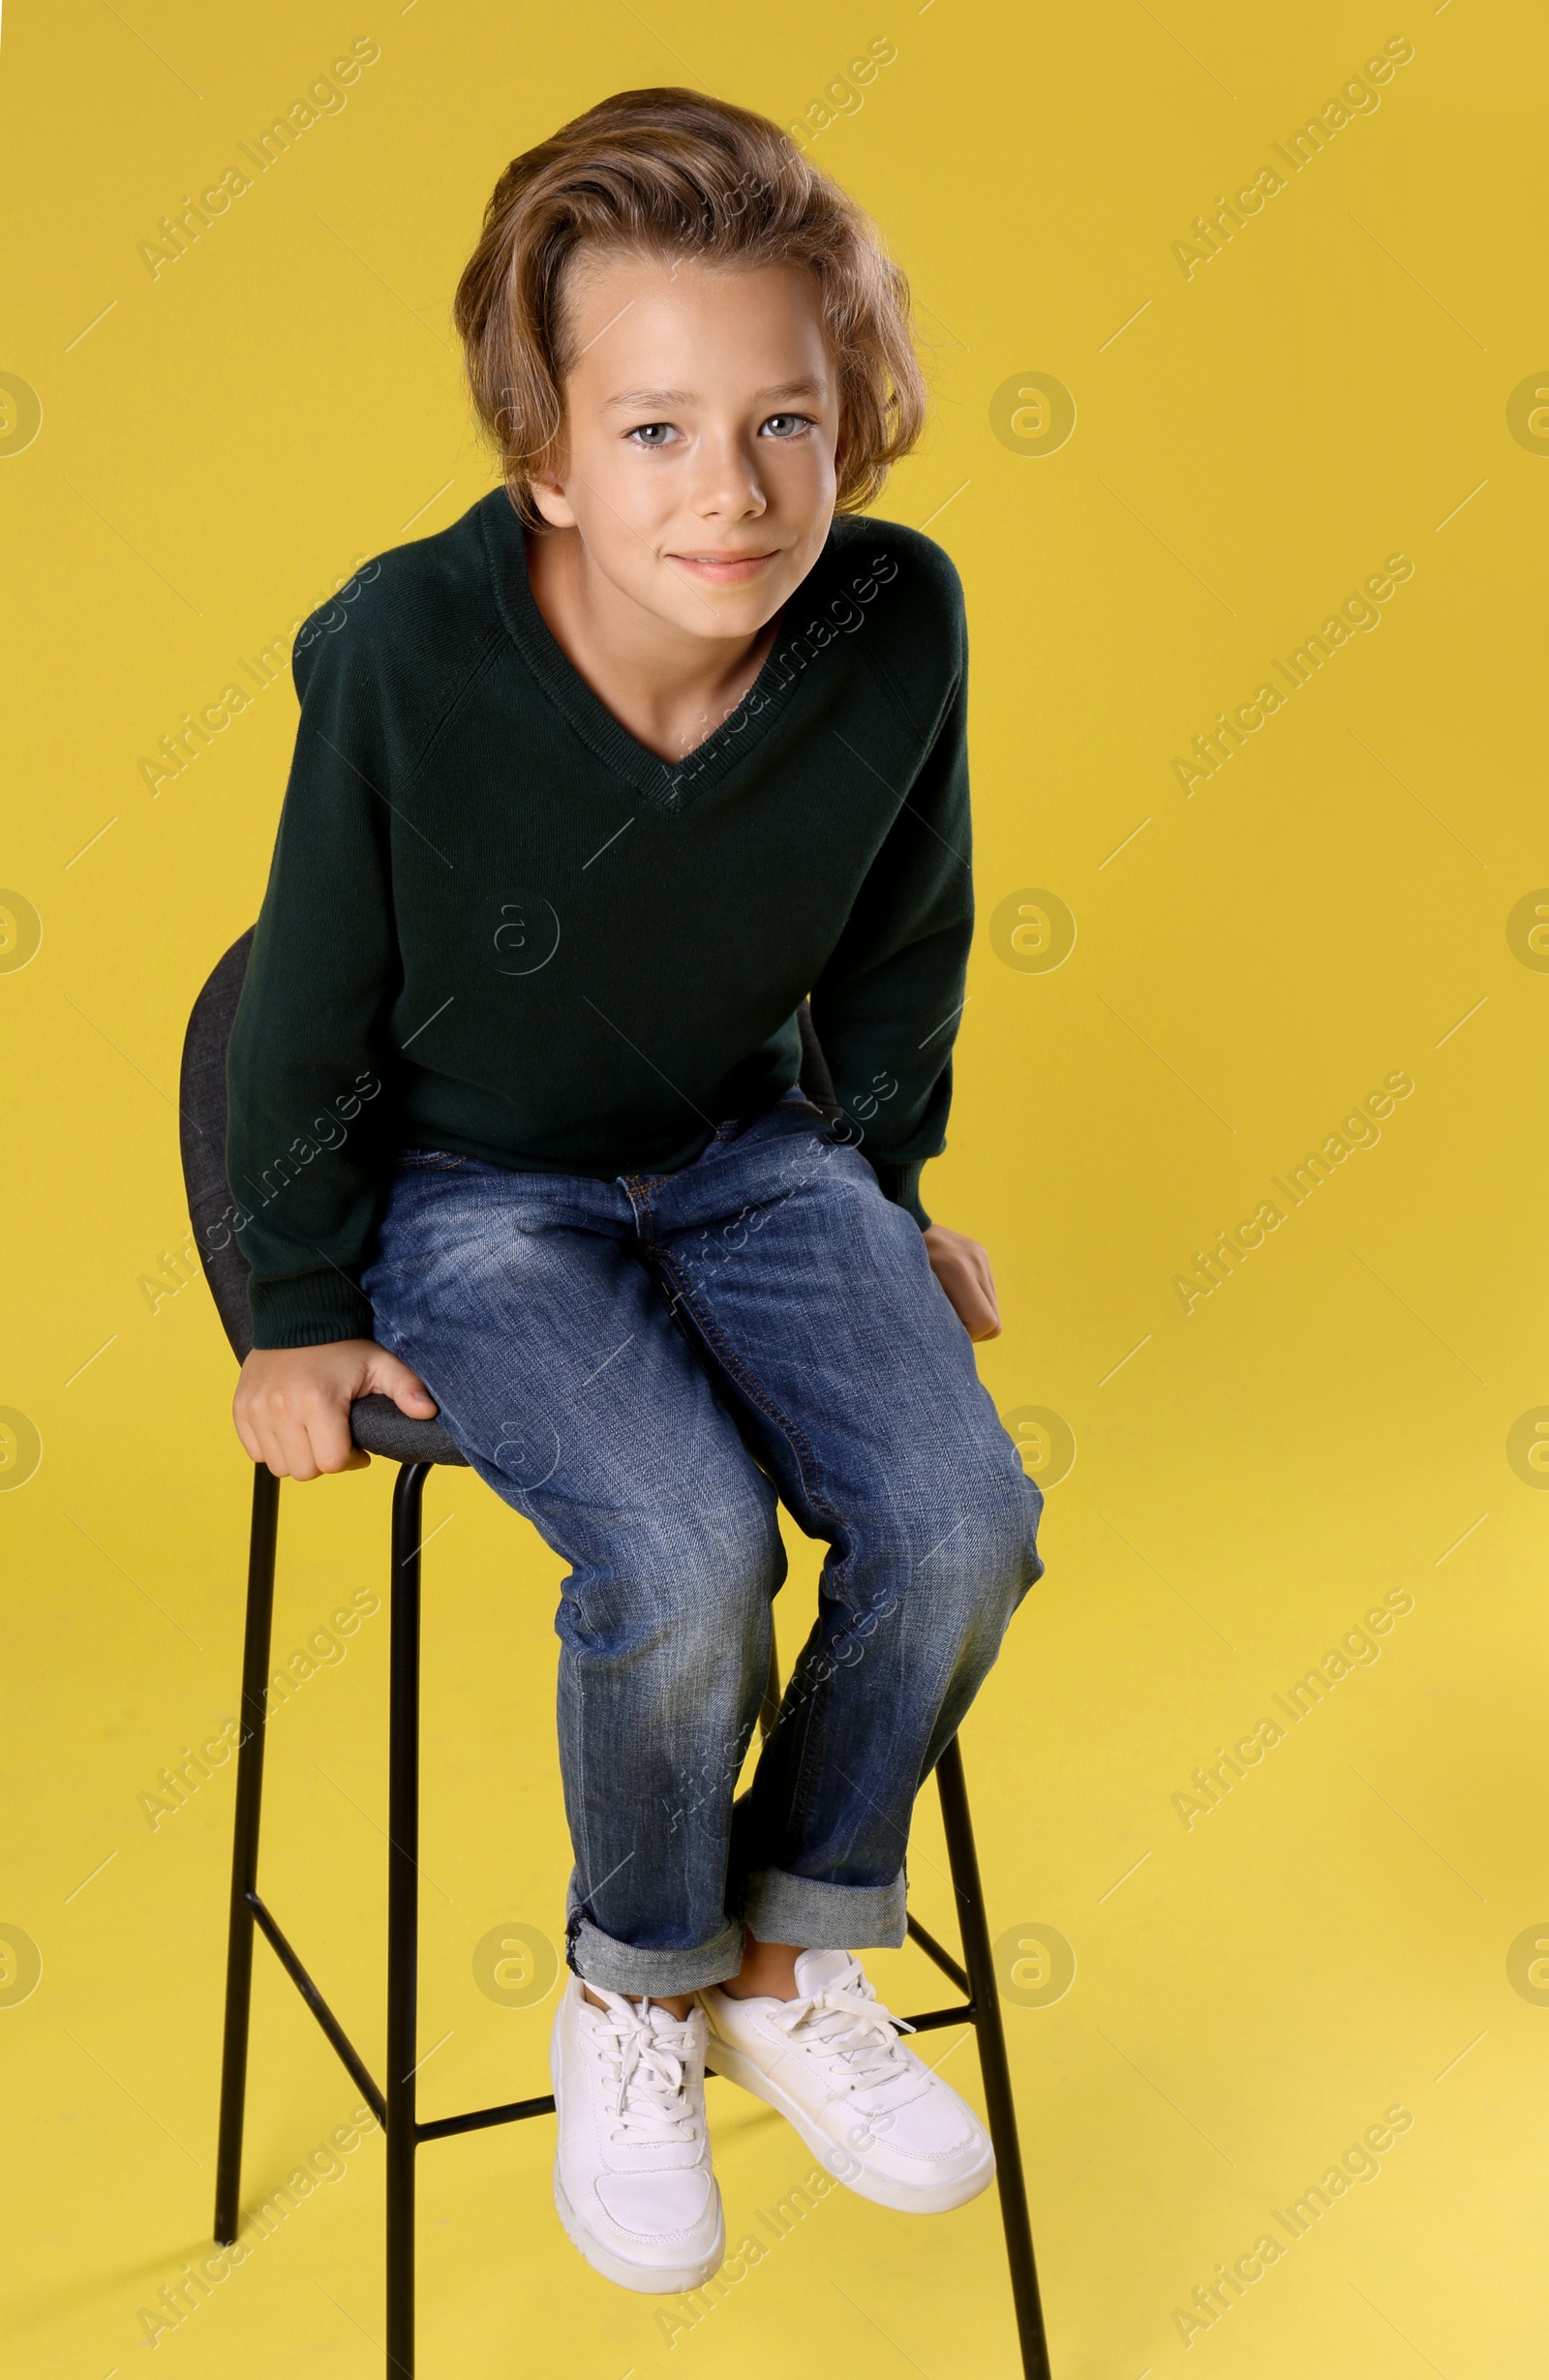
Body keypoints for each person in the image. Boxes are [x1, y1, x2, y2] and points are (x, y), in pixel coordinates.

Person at [227, 85, 1045, 2296]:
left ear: (852, 426)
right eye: (660, 430)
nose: (733, 489)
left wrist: (880, 1182)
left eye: (783, 420)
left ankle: (791, 1949)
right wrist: (285, 1302)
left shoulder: (894, 619)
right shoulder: (401, 652)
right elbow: (288, 1002)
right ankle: (632, 1982)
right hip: (465, 1183)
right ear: (549, 455)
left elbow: (901, 933)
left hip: (747, 1145)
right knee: (682, 1549)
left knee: (965, 1516)